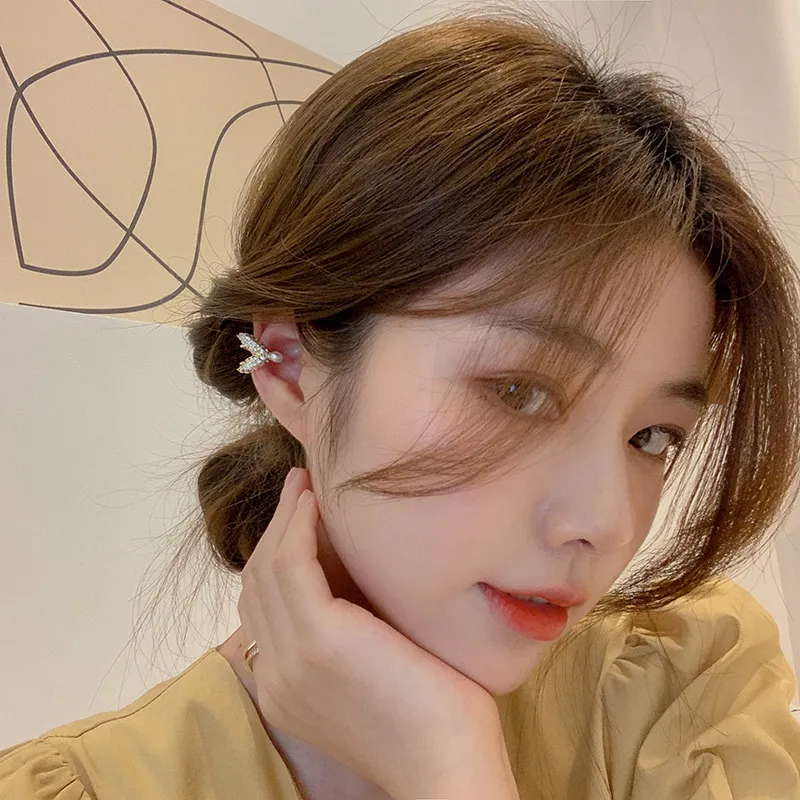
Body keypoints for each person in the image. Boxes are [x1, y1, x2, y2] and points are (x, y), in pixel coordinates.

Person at [3, 8, 800, 800]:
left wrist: (448, 768)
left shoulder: (678, 701)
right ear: (288, 366)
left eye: (653, 437)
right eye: (518, 392)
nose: (606, 522)